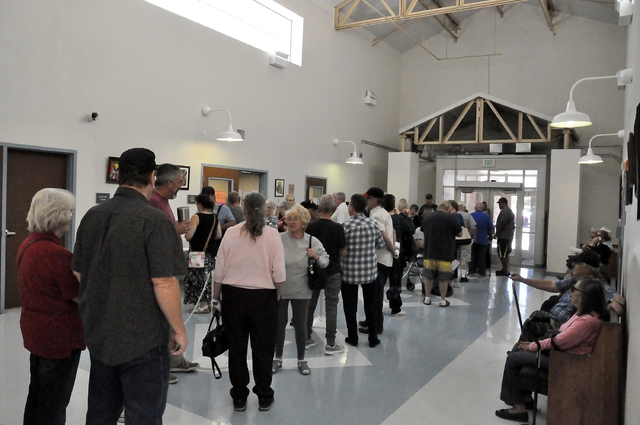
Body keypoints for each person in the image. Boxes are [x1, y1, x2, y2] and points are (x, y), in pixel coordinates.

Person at [72, 148, 188, 423]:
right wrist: (178, 329)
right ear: (152, 176)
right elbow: (164, 282)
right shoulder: (155, 221)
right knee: (143, 415)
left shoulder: (92, 215)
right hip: (144, 338)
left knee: (101, 413)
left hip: (101, 332)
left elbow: (78, 271)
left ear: (119, 175)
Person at [495, 275, 609, 423]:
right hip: (563, 355)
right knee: (518, 349)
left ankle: (518, 409)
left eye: (574, 290)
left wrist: (532, 346)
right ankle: (524, 398)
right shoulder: (586, 313)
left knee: (513, 358)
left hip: (565, 361)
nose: (571, 293)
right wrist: (532, 345)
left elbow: (559, 341)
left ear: (584, 296)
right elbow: (562, 331)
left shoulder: (586, 321)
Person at [212, 192, 285, 412]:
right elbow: (279, 274)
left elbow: (219, 270)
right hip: (264, 297)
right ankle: (264, 394)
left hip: (234, 297)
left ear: (243, 210)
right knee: (263, 349)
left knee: (236, 348)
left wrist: (216, 298)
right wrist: (277, 295)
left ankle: (239, 395)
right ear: (265, 210)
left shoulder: (231, 233)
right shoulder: (272, 235)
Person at [18, 189, 85, 425]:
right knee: (54, 402)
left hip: (36, 331)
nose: (71, 217)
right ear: (58, 215)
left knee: (37, 394)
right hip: (58, 338)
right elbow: (79, 296)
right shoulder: (56, 254)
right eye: (68, 212)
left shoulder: (29, 244)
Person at [148, 164, 199, 380]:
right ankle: (162, 366)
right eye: (179, 182)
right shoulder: (153, 202)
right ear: (169, 183)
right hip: (162, 271)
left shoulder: (163, 202)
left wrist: (175, 228)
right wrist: (174, 230)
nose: (181, 185)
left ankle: (174, 361)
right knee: (163, 319)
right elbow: (154, 235)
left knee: (170, 317)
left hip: (170, 268)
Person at [510, 249, 621, 343]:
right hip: (557, 318)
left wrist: (616, 303)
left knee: (531, 324)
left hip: (565, 325)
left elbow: (617, 298)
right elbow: (552, 285)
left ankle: (522, 352)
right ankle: (522, 349)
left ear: (586, 268)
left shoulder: (595, 284)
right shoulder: (576, 279)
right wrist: (523, 280)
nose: (573, 266)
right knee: (535, 315)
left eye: (575, 264)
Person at [274, 204, 329, 376]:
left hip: (302, 290)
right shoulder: (279, 239)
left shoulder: (312, 241)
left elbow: (325, 261)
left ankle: (301, 359)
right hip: (280, 289)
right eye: (289, 219)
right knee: (279, 325)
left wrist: (316, 256)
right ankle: (277, 358)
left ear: (304, 222)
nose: (291, 222)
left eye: (295, 219)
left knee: (301, 325)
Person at [341, 194, 385, 347]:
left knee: (350, 307)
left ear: (352, 207)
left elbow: (341, 248)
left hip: (349, 273)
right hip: (369, 272)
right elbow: (380, 244)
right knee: (370, 306)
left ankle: (353, 337)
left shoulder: (345, 226)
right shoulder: (373, 224)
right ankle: (373, 337)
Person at [305, 194, 347, 355]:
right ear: (334, 208)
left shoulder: (311, 226)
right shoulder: (338, 228)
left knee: (310, 304)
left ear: (319, 208)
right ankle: (330, 343)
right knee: (331, 305)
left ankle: (306, 338)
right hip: (333, 270)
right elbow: (343, 251)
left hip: (314, 270)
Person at [360, 187, 395, 336]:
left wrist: (391, 249)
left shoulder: (376, 216)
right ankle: (370, 320)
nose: (365, 202)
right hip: (384, 259)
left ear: (374, 200)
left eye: (367, 199)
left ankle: (376, 325)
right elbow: (392, 232)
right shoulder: (382, 213)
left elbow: (383, 235)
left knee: (375, 295)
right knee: (374, 293)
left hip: (380, 259)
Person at [184, 194, 222, 314]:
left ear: (200, 204)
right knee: (208, 279)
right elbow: (218, 235)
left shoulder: (196, 217)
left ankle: (203, 304)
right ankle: (208, 303)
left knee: (197, 278)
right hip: (211, 253)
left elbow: (188, 236)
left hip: (197, 253)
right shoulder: (214, 217)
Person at [420, 200, 462, 307]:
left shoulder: (428, 217)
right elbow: (460, 234)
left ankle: (427, 298)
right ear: (448, 208)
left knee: (429, 277)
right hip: (445, 254)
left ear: (438, 207)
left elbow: (422, 230)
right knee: (444, 279)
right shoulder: (451, 218)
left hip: (429, 252)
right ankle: (443, 300)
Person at [384, 193, 412, 317]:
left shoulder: (380, 218)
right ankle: (395, 307)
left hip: (382, 253)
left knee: (378, 283)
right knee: (395, 281)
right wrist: (408, 217)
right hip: (397, 252)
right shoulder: (400, 219)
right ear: (394, 205)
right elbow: (411, 229)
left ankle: (375, 307)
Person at [469, 202, 494, 277]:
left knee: (472, 256)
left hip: (472, 239)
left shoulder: (471, 216)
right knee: (482, 257)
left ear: (475, 207)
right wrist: (490, 235)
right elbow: (491, 228)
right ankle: (481, 273)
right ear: (483, 208)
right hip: (483, 239)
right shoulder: (486, 217)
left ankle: (471, 271)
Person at [494, 197, 515, 276]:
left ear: (503, 203)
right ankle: (504, 269)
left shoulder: (505, 211)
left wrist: (497, 233)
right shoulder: (508, 211)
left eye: (499, 203)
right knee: (504, 253)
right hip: (507, 236)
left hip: (504, 236)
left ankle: (505, 270)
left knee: (503, 253)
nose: (499, 205)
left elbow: (502, 223)